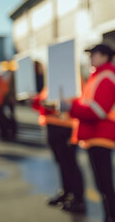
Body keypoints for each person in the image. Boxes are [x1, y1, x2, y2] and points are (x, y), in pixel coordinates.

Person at [65, 43, 115, 222]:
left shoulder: (106, 77)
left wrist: (70, 108)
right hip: (95, 137)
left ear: (105, 56)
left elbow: (97, 111)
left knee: (106, 188)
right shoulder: (99, 76)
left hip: (101, 136)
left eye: (94, 54)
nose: (90, 58)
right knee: (103, 188)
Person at [32, 84, 86, 213]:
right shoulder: (51, 81)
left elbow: (74, 104)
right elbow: (42, 103)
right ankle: (66, 192)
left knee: (70, 164)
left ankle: (78, 198)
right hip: (52, 127)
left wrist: (52, 105)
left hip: (66, 128)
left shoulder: (73, 81)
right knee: (61, 162)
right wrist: (35, 101)